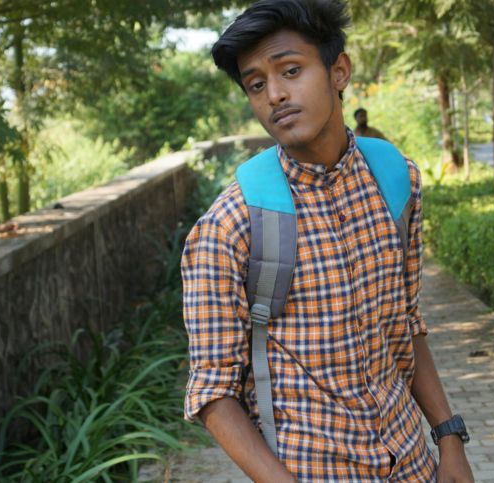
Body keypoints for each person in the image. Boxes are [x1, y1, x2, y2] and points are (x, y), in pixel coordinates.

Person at [181, 0, 474, 481]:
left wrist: (449, 437)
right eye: (256, 84)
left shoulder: (396, 180)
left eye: (290, 70)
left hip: (415, 464)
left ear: (339, 71)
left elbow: (406, 323)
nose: (275, 94)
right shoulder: (231, 225)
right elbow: (213, 393)